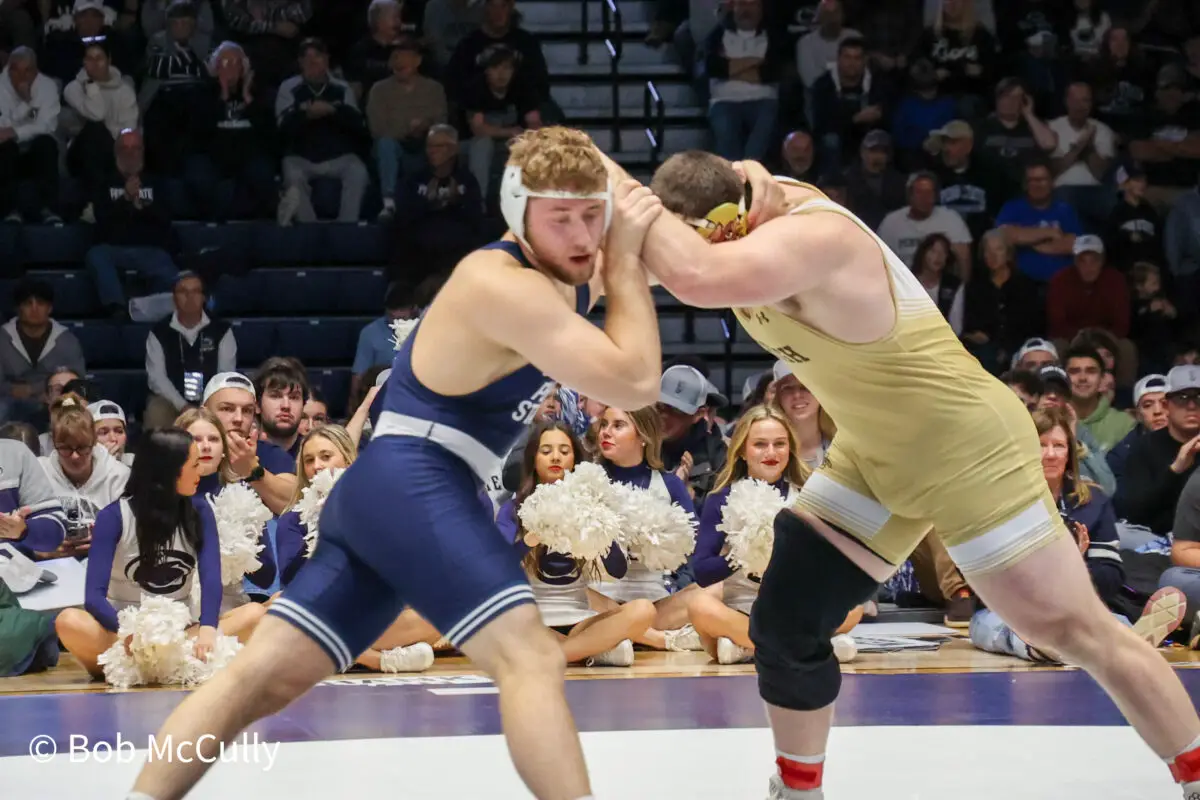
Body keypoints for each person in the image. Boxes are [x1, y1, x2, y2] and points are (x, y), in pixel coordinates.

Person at [613, 149, 1200, 799]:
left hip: (968, 451)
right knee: (785, 621)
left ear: (719, 226)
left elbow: (691, 274)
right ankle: (798, 789)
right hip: (878, 453)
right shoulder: (739, 208)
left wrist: (590, 166)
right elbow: (707, 213)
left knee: (1075, 632)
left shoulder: (814, 237)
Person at [127, 126, 664, 800]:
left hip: (390, 490)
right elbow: (638, 381)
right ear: (516, 212)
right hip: (416, 483)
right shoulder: (501, 282)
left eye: (593, 216)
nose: (583, 237)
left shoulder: (560, 273)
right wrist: (626, 264)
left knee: (255, 681)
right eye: (561, 218)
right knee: (530, 658)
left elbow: (670, 263)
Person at [53, 429, 262, 679]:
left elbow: (210, 579)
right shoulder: (114, 517)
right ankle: (124, 667)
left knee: (255, 614)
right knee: (68, 621)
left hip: (182, 635)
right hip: (124, 637)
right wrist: (129, 632)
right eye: (194, 465)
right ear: (169, 471)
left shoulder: (200, 510)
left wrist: (207, 627)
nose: (200, 472)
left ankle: (169, 665)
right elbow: (93, 598)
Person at [688, 405, 862, 665]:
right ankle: (809, 648)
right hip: (745, 609)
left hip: (798, 608)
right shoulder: (722, 498)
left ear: (790, 449)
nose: (771, 453)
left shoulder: (808, 495)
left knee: (855, 606)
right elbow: (701, 572)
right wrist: (742, 555)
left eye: (779, 444)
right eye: (760, 444)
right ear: (743, 452)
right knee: (699, 606)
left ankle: (749, 647)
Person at [274, 424, 440, 673]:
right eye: (309, 460)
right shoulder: (291, 519)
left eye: (326, 456)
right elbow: (290, 578)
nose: (317, 465)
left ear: (349, 461)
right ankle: (377, 659)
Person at [498, 420, 655, 667]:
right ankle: (591, 651)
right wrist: (529, 539)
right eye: (546, 451)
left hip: (580, 621)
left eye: (564, 451)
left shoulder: (592, 503)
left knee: (644, 610)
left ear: (574, 458)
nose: (555, 458)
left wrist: (600, 526)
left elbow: (618, 570)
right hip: (532, 619)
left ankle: (561, 653)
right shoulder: (513, 509)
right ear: (533, 458)